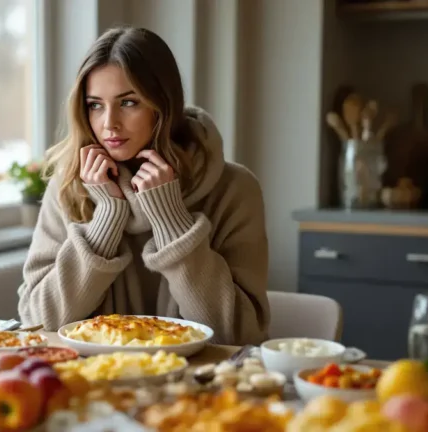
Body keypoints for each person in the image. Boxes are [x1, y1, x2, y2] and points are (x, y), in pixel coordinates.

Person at [17, 26, 270, 345]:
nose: (109, 123)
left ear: (163, 106)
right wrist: (106, 218)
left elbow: (238, 334)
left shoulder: (236, 189)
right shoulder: (68, 186)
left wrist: (171, 220)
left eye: (129, 102)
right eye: (95, 105)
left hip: (200, 386)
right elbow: (37, 322)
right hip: (93, 382)